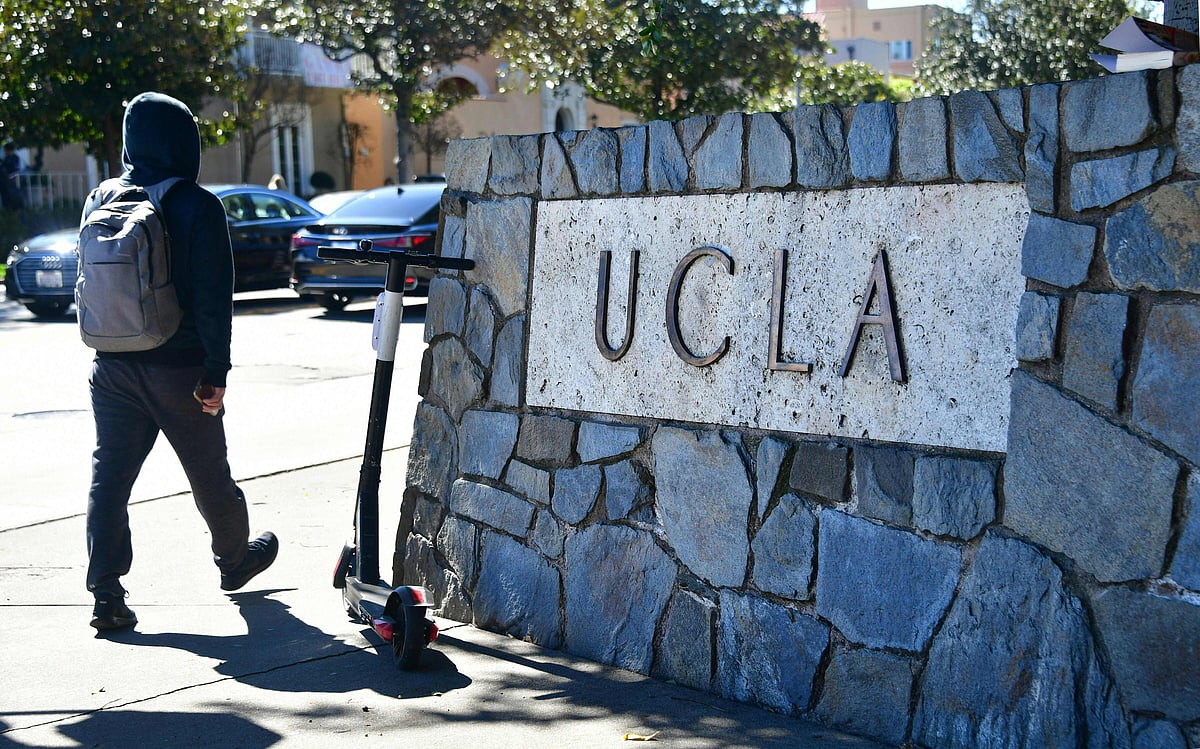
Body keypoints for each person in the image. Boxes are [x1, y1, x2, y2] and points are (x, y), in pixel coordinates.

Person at [82, 92, 278, 631]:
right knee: (209, 473)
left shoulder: (101, 196)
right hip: (180, 369)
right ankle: (235, 561)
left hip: (112, 366)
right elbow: (214, 295)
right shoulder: (196, 204)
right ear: (183, 139)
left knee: (110, 479)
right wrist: (216, 371)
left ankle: (105, 593)